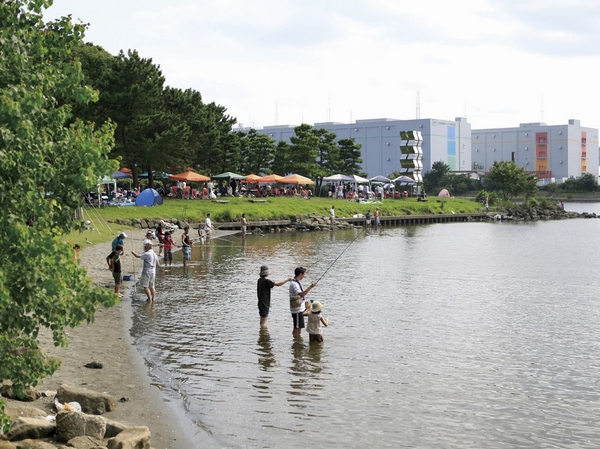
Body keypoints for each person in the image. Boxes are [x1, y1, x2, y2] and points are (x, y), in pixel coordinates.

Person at [289, 267, 317, 340]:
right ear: (300, 274)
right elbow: (302, 294)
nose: (304, 276)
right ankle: (296, 342)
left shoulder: (296, 281)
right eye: (304, 274)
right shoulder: (294, 284)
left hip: (299, 308)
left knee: (299, 327)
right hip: (297, 310)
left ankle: (297, 341)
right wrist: (311, 287)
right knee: (297, 328)